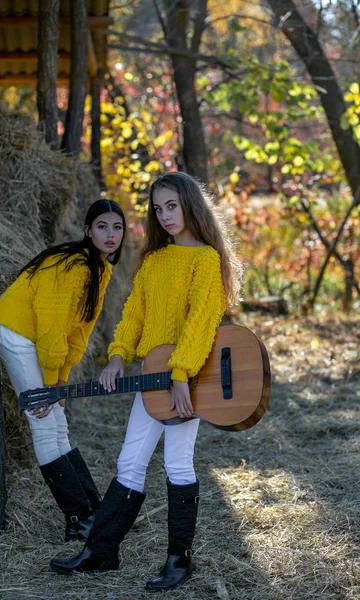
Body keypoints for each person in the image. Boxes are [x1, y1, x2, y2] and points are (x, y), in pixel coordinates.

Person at [49, 172, 243, 589]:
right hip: (152, 374)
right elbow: (134, 313)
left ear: (190, 204)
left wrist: (180, 374)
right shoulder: (154, 260)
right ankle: (100, 553)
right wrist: (117, 355)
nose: (166, 215)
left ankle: (179, 560)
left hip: (187, 379)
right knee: (129, 462)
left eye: (172, 205)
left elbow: (200, 322)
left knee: (177, 462)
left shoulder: (206, 259)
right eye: (159, 208)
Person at [0, 199, 126, 542]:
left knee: (59, 425)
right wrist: (50, 385)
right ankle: (79, 520)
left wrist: (61, 381)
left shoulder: (100, 268)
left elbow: (78, 332)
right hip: (19, 335)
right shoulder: (75, 266)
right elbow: (52, 328)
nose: (111, 235)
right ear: (87, 230)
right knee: (43, 422)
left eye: (117, 227)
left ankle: (94, 511)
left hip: (40, 340)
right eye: (102, 227)